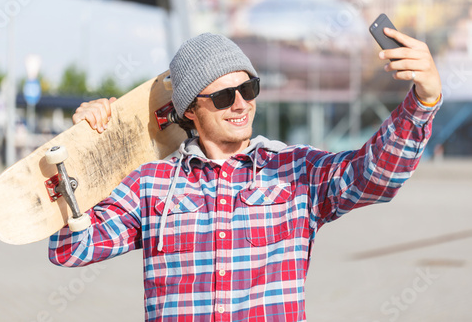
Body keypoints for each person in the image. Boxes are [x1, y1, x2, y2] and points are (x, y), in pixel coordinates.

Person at [49, 29, 442, 321]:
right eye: (222, 96)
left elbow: (375, 177)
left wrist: (422, 101)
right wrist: (86, 156)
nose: (240, 104)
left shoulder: (296, 173)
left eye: (248, 88)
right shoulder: (151, 185)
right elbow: (71, 249)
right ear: (190, 110)